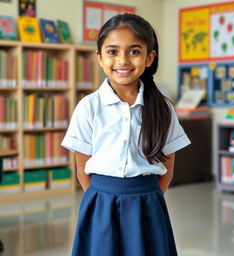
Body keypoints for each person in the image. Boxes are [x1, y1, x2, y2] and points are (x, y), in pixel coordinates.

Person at [61, 13, 191, 256]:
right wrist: (102, 199)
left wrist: (145, 199)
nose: (122, 60)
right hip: (101, 203)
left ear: (149, 57)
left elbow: (168, 167)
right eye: (112, 52)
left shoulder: (163, 108)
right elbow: (82, 168)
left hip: (147, 204)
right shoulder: (88, 107)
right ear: (99, 57)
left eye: (134, 51)